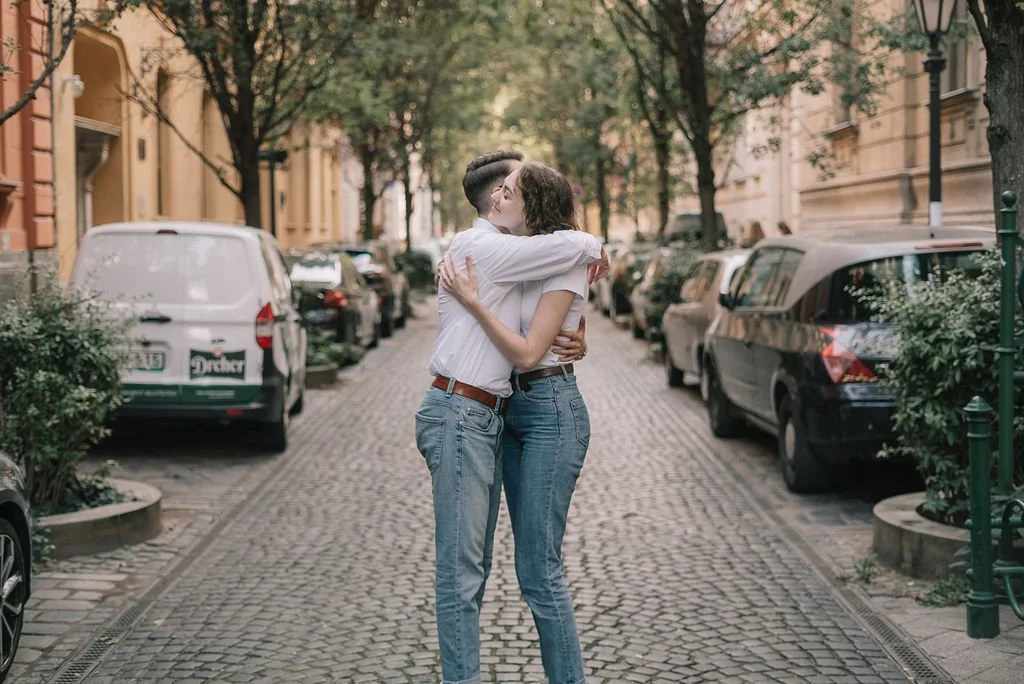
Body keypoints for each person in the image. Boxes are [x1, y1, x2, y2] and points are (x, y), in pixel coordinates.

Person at [415, 151, 608, 684]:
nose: (504, 195)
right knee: (467, 571)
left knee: (537, 573)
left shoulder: (538, 253)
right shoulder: (493, 248)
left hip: (534, 406)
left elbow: (533, 346)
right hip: (479, 410)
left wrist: (575, 327)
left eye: (516, 188)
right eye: (504, 187)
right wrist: (596, 245)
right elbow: (570, 252)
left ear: (530, 202)